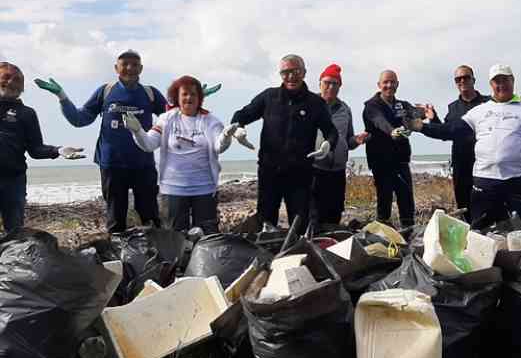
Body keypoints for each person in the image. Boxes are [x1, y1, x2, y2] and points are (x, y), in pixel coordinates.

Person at [408, 64, 521, 228]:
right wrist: (421, 127)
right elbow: (450, 130)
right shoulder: (479, 111)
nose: (501, 85)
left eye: (505, 80)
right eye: (496, 81)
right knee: (481, 231)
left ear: (512, 81)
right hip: (485, 182)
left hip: (518, 181)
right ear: (491, 84)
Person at [35, 50, 168, 233]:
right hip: (112, 164)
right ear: (116, 68)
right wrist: (62, 96)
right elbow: (79, 119)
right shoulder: (106, 92)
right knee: (116, 220)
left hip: (143, 164)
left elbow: (173, 117)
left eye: (134, 65)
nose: (129, 68)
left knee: (150, 217)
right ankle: (119, 255)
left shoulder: (150, 93)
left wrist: (197, 99)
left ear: (141, 69)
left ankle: (157, 254)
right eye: (124, 64)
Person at [231, 54, 338, 229]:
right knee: (265, 222)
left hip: (300, 174)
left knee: (300, 224)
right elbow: (241, 115)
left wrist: (328, 144)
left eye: (295, 71)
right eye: (285, 72)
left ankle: (299, 254)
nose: (290, 76)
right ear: (280, 74)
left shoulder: (315, 103)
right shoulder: (269, 97)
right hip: (269, 171)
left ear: (303, 72)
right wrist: (238, 129)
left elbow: (331, 131)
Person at [122, 75, 236, 233]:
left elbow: (218, 147)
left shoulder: (211, 121)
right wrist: (137, 131)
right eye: (185, 94)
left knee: (208, 235)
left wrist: (225, 137)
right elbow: (148, 144)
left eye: (193, 94)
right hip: (173, 189)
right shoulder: (166, 119)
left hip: (204, 188)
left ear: (200, 98)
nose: (189, 97)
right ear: (177, 97)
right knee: (174, 238)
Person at [0, 62, 84, 238]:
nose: (11, 82)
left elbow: (36, 150)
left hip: (13, 181)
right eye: (6, 77)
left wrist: (58, 150)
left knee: (15, 233)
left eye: (17, 79)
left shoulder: (27, 113)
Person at [310, 64, 370, 229]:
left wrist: (357, 140)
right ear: (319, 83)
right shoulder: (309, 105)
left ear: (340, 86)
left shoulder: (345, 109)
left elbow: (348, 142)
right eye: (327, 82)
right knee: (312, 217)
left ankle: (330, 250)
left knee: (334, 216)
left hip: (337, 172)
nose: (330, 87)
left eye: (335, 84)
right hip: (313, 169)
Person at [362, 70, 419, 229]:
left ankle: (409, 231)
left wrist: (427, 115)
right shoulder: (371, 106)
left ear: (397, 85)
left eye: (392, 82)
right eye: (385, 82)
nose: (389, 85)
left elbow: (416, 113)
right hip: (380, 162)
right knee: (384, 199)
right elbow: (378, 120)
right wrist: (391, 131)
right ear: (379, 85)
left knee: (406, 199)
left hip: (401, 160)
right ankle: (383, 232)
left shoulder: (402, 105)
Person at [438, 65, 490, 222]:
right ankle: (471, 237)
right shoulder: (453, 108)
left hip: (485, 163)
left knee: (487, 205)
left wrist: (518, 102)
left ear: (473, 80)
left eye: (466, 77)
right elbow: (445, 133)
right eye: (458, 79)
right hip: (461, 165)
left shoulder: (488, 102)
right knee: (465, 206)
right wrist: (433, 118)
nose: (462, 81)